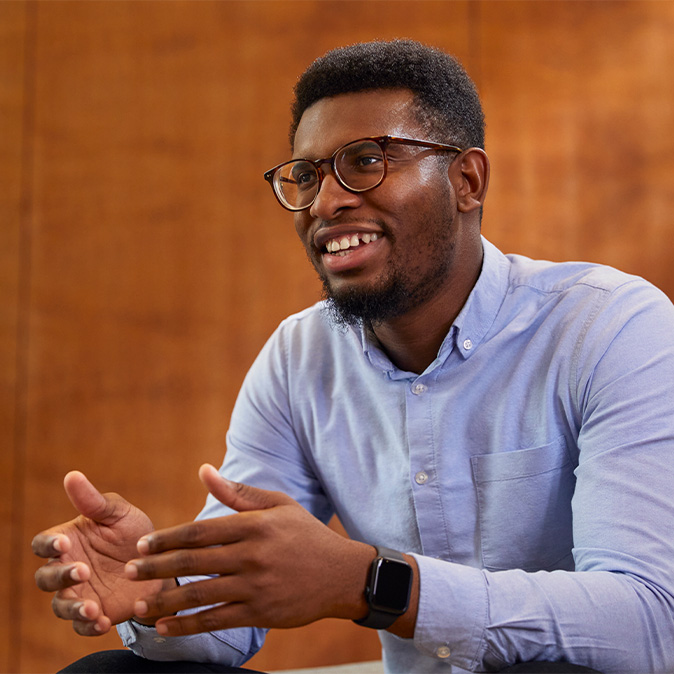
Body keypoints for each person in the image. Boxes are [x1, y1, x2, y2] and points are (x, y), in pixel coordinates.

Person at [32, 40, 674, 674]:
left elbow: (651, 622)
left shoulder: (611, 326)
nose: (326, 202)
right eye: (306, 175)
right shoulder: (298, 357)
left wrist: (373, 584)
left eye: (366, 160)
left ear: (467, 180)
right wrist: (156, 596)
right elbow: (229, 623)